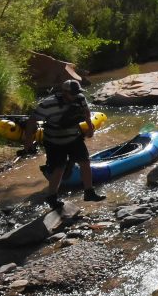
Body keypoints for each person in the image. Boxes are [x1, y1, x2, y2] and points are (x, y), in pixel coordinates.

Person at [22, 79, 104, 207]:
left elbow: (86, 112)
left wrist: (90, 128)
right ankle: (52, 197)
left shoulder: (80, 98)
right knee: (59, 168)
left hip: (74, 138)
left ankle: (89, 192)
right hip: (54, 141)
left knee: (85, 162)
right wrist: (28, 141)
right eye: (72, 93)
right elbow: (32, 121)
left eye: (77, 92)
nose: (75, 95)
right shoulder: (48, 104)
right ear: (64, 92)